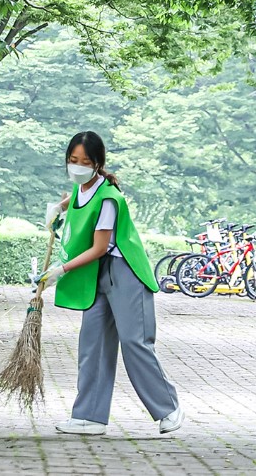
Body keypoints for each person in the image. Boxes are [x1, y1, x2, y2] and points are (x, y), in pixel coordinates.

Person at [39, 131, 184, 435]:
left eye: (85, 162)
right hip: (97, 274)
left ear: (98, 164)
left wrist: (60, 270)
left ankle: (168, 407)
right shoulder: (81, 187)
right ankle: (89, 416)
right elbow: (76, 198)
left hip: (124, 272)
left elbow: (99, 248)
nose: (77, 167)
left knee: (134, 341)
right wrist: (59, 207)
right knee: (92, 343)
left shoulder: (109, 198)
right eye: (72, 160)